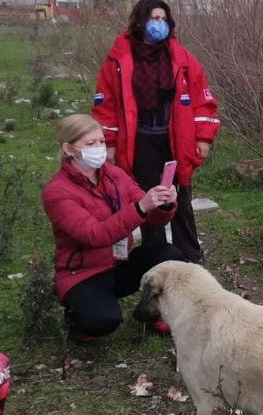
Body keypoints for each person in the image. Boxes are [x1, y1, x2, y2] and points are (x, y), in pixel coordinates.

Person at [92, 0, 219, 264]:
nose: (159, 24)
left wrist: (203, 137)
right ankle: (157, 261)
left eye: (163, 18)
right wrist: (110, 144)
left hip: (175, 141)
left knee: (180, 199)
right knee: (147, 200)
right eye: (153, 18)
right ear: (139, 22)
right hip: (138, 142)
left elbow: (202, 99)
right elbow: (106, 106)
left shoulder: (181, 57)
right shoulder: (119, 59)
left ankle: (191, 259)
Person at [43, 115, 185, 343]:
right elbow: (94, 235)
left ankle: (152, 312)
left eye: (101, 141)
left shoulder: (115, 174)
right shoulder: (57, 192)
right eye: (90, 144)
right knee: (102, 320)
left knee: (170, 256)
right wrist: (141, 207)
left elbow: (154, 219)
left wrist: (164, 203)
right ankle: (78, 319)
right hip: (82, 274)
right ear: (68, 149)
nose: (99, 148)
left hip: (119, 263)